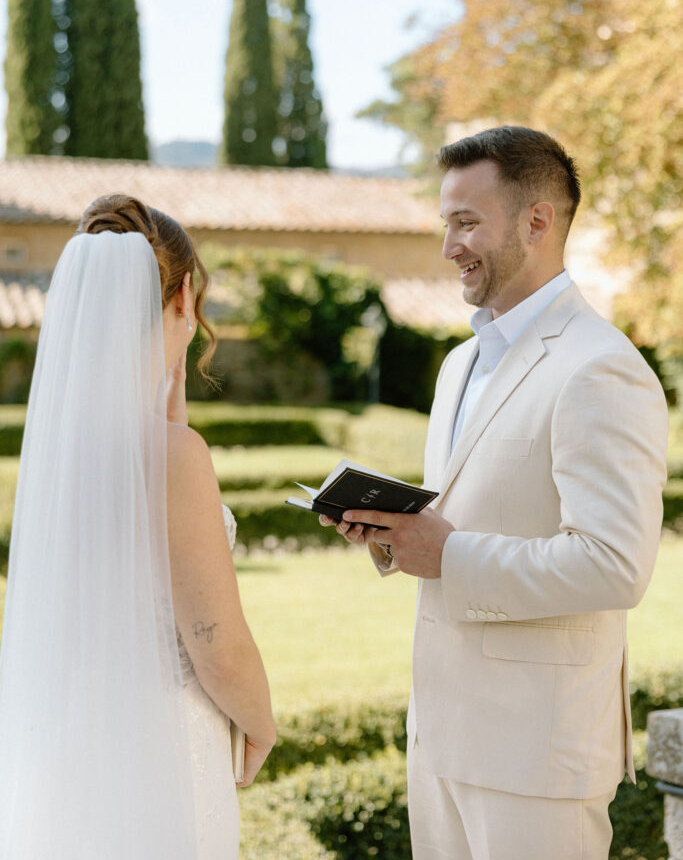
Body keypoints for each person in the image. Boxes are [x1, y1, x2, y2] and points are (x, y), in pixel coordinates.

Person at [322, 126, 669, 860]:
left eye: (466, 222)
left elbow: (613, 564)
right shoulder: (456, 366)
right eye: (446, 224)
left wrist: (448, 555)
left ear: (536, 221)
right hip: (439, 738)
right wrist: (391, 535)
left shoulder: (599, 368)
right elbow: (460, 521)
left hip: (536, 754)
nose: (448, 247)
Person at [0, 194, 275, 860]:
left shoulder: (60, 451)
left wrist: (164, 397)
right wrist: (261, 723)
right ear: (183, 299)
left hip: (68, 736)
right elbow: (217, 645)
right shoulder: (174, 457)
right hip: (163, 741)